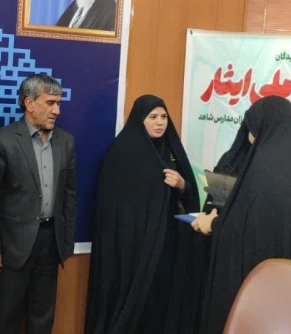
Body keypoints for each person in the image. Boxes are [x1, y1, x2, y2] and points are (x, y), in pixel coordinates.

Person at [192, 96, 291, 334]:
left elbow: (247, 231)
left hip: (264, 303)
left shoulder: (263, 176)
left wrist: (214, 224)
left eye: (252, 129)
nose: (250, 136)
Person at [86, 95, 204, 334]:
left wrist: (182, 185)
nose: (160, 122)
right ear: (140, 120)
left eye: (163, 117)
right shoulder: (122, 152)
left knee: (159, 299)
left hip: (166, 243)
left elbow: (189, 197)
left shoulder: (172, 151)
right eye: (153, 117)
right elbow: (111, 205)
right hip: (132, 245)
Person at [0, 74, 77, 334]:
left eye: (58, 103)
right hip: (13, 246)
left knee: (43, 317)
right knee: (7, 318)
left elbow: (69, 196)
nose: (57, 110)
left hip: (50, 243)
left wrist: (65, 243)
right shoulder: (3, 140)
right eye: (50, 103)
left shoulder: (66, 141)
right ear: (29, 103)